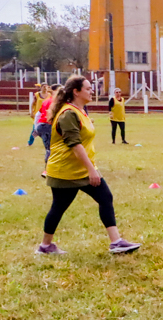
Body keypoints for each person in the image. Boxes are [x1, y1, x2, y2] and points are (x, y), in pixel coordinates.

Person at [35, 76, 140, 255]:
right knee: (60, 206)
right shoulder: (68, 113)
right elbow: (75, 145)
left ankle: (116, 242)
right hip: (66, 171)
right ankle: (45, 246)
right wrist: (92, 170)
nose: (92, 91)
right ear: (76, 92)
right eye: (88, 88)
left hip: (78, 168)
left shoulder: (79, 111)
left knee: (104, 197)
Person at [34, 85, 59, 174]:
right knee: (50, 148)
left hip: (41, 126)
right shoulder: (56, 102)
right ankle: (47, 170)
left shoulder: (46, 101)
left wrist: (36, 128)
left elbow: (38, 114)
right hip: (47, 125)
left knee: (51, 148)